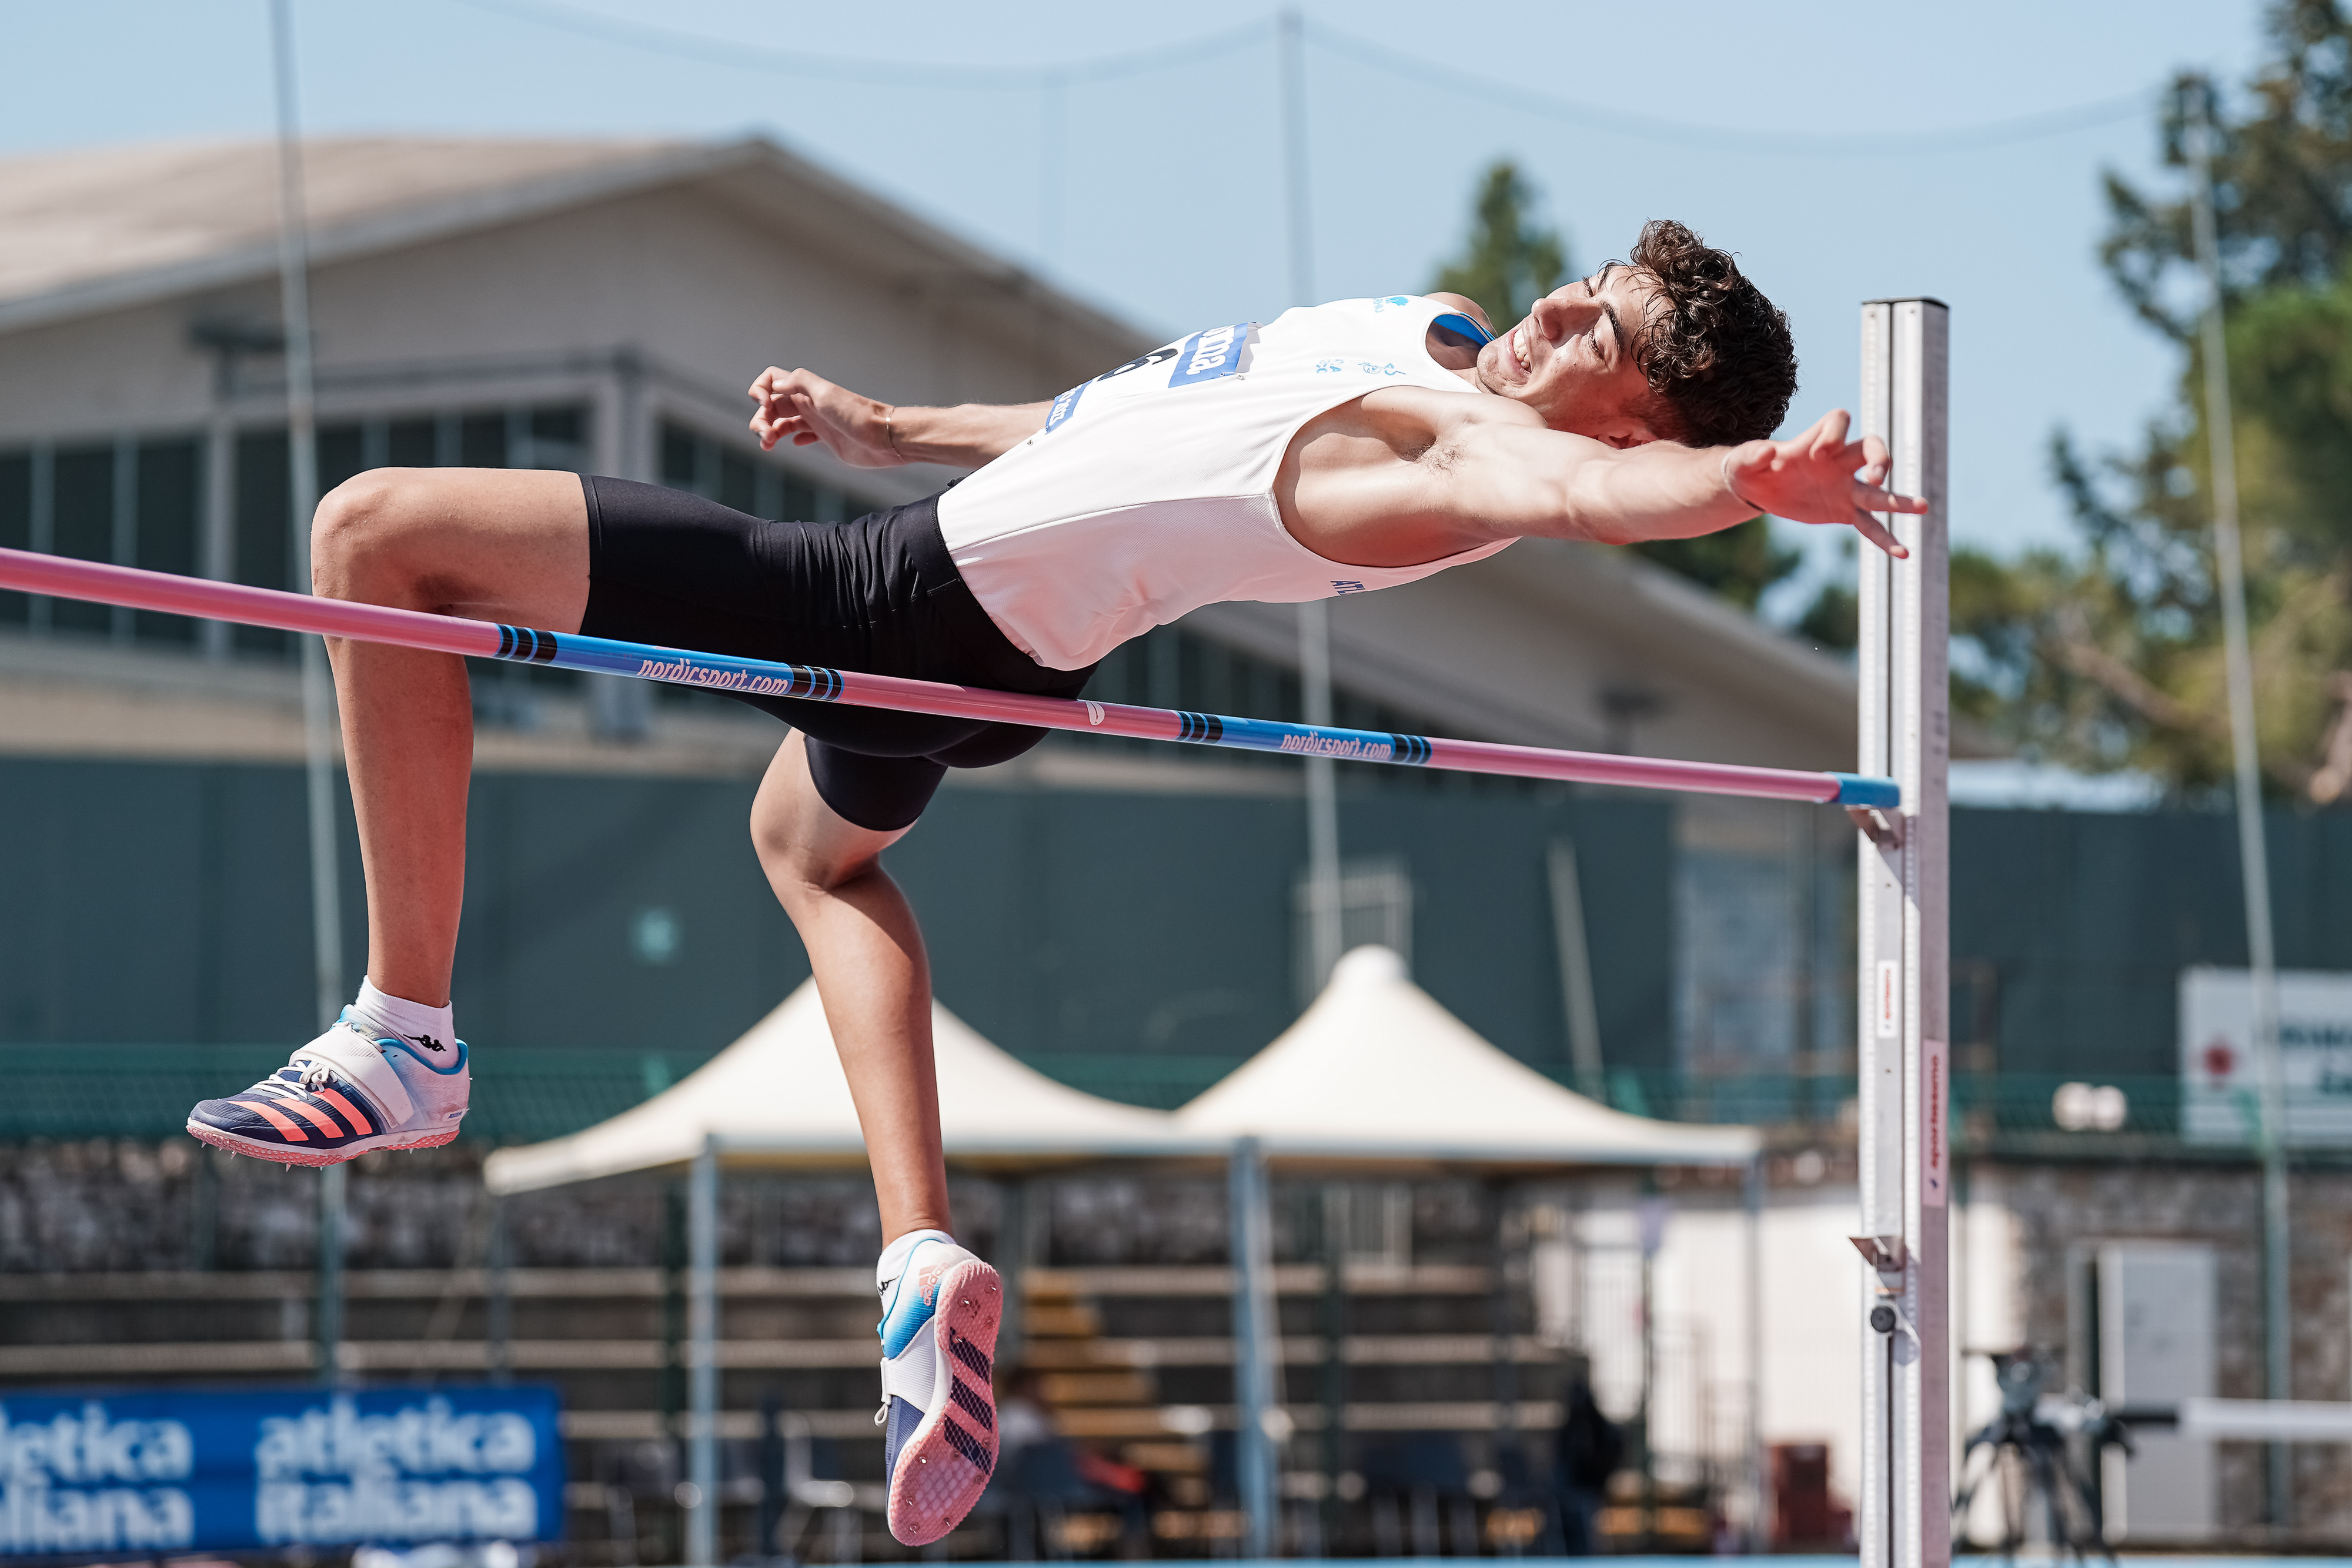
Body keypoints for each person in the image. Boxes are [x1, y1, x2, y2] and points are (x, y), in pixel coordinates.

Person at [181, 219, 1920, 1546]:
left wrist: (1738, 488)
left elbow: (1583, 494)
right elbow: (1131, 413)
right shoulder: (1434, 339)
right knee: (806, 847)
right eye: (1583, 285)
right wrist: (895, 421)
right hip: (998, 654)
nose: (1552, 311)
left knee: (371, 536)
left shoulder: (1457, 463)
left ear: (1633, 413)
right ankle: (918, 1255)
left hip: (894, 612)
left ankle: (406, 1034)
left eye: (1595, 333)